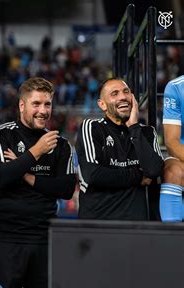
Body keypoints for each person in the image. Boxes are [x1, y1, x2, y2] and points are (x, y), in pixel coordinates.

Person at [0, 77, 76, 288]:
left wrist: (25, 174)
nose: (43, 111)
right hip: (5, 239)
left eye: (47, 104)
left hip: (44, 239)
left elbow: (65, 188)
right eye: (36, 104)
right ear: (22, 106)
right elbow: (1, 176)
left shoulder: (60, 144)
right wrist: (36, 151)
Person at [76, 78, 163, 220]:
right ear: (102, 104)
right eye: (114, 94)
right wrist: (138, 176)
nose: (123, 97)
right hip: (97, 224)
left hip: (136, 227)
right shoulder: (92, 127)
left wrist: (134, 128)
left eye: (126, 92)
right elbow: (93, 174)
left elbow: (154, 171)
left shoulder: (146, 132)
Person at [160, 75, 184, 221]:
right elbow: (172, 142)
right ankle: (171, 237)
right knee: (172, 171)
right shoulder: (176, 87)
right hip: (182, 156)